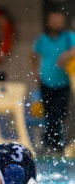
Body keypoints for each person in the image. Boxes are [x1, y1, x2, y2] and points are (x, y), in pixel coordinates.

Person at [30, 11, 75, 153]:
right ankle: (53, 144)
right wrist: (35, 72)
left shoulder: (69, 37)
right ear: (49, 23)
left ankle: (53, 143)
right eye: (55, 21)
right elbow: (33, 55)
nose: (58, 24)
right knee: (49, 113)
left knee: (59, 113)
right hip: (46, 82)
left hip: (64, 83)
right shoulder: (42, 39)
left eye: (60, 21)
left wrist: (66, 55)